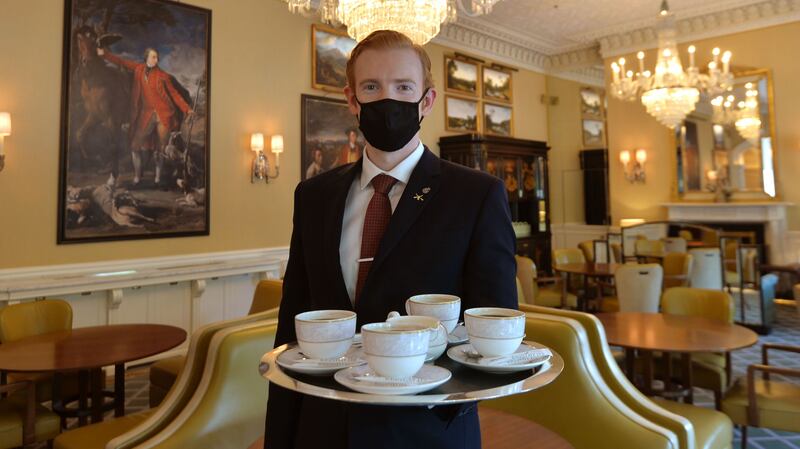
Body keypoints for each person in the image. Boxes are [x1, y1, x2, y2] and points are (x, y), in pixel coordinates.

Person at [264, 30, 516, 449]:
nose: (387, 99)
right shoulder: (313, 196)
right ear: (351, 100)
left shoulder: (476, 195)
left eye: (403, 87)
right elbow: (292, 325)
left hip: (425, 430)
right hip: (322, 428)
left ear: (427, 100)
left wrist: (441, 412)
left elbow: (494, 330)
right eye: (371, 87)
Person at [98, 46, 193, 187]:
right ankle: (137, 177)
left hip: (164, 114)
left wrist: (187, 109)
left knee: (160, 149)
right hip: (146, 114)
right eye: (153, 56)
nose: (156, 59)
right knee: (135, 145)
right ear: (146, 58)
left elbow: (174, 95)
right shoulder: (138, 69)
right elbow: (121, 62)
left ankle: (158, 179)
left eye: (157, 57)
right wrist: (104, 54)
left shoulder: (163, 76)